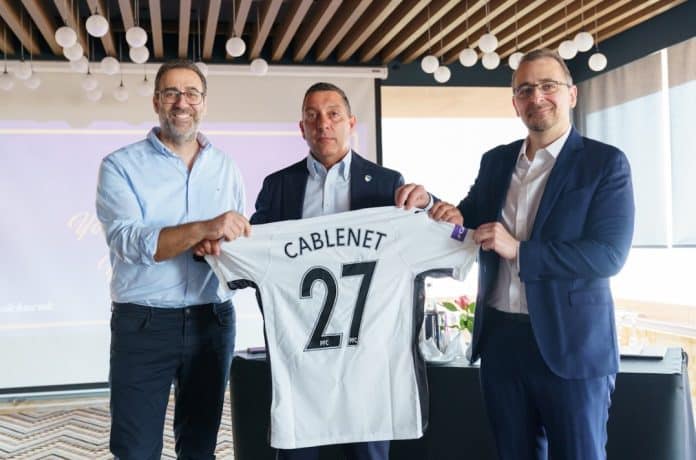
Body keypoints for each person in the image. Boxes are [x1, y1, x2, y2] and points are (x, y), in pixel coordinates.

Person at [396, 49, 635, 460]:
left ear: (572, 94)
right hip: (501, 342)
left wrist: (520, 251)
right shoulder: (496, 161)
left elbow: (608, 255)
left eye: (548, 86)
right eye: (525, 90)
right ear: (514, 103)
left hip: (572, 346)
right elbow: (467, 221)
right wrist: (429, 202)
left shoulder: (605, 163)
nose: (536, 97)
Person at [96, 59, 250, 459]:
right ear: (156, 102)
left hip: (212, 321)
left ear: (204, 103)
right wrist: (202, 229)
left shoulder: (226, 166)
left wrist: (221, 244)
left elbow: (236, 236)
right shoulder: (119, 166)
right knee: (135, 451)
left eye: (192, 93)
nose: (182, 102)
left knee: (200, 449)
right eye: (171, 93)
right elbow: (129, 242)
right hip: (143, 324)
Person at [244, 82, 402, 460]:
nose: (323, 124)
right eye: (312, 116)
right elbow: (256, 253)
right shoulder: (278, 186)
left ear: (351, 122)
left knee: (367, 453)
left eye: (333, 114)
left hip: (365, 355)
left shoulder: (387, 184)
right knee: (297, 452)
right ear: (302, 128)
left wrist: (432, 206)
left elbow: (414, 241)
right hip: (299, 354)